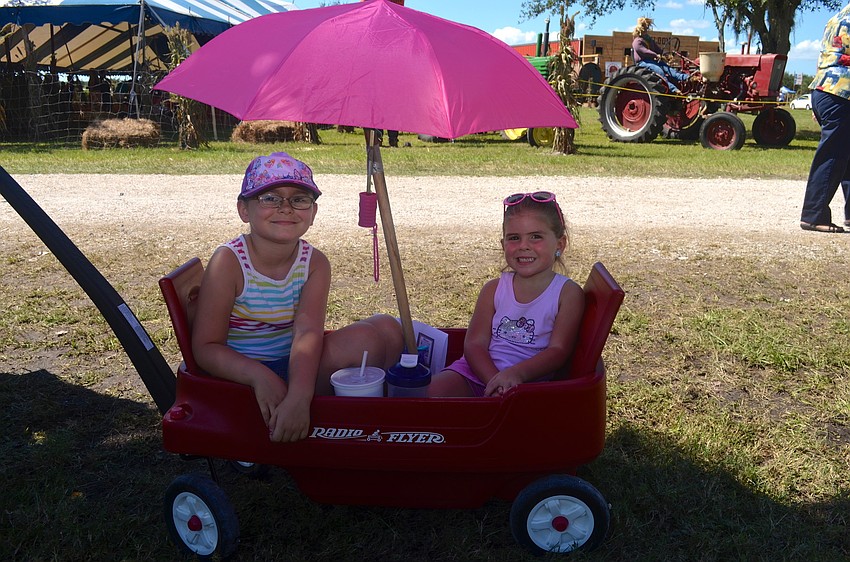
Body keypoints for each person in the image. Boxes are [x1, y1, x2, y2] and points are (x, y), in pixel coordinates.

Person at [192, 152, 404, 442]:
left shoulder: (314, 262)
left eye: (299, 199)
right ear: (244, 210)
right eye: (269, 198)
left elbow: (307, 332)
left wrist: (299, 393)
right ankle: (338, 420)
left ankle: (382, 416)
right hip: (244, 376)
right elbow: (205, 348)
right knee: (364, 340)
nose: (286, 208)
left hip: (293, 364)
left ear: (313, 213)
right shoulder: (229, 262)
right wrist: (259, 376)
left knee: (389, 327)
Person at [427, 191, 585, 397]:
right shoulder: (493, 289)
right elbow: (474, 344)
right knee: (429, 393)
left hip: (527, 383)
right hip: (476, 372)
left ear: (560, 244)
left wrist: (514, 376)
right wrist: (495, 382)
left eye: (536, 237)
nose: (524, 246)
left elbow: (558, 351)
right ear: (503, 245)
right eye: (514, 238)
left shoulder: (567, 293)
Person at [799, 1, 850, 233]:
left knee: (845, 155)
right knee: (833, 155)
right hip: (842, 91)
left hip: (823, 89)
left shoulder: (837, 17)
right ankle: (814, 215)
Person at [631, 17, 690, 95]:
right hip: (643, 62)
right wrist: (656, 55)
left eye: (647, 28)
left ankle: (686, 78)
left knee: (668, 69)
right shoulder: (637, 41)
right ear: (641, 29)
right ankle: (673, 89)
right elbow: (644, 51)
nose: (646, 30)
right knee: (659, 70)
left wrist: (666, 55)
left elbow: (658, 49)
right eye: (645, 28)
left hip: (653, 61)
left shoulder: (649, 40)